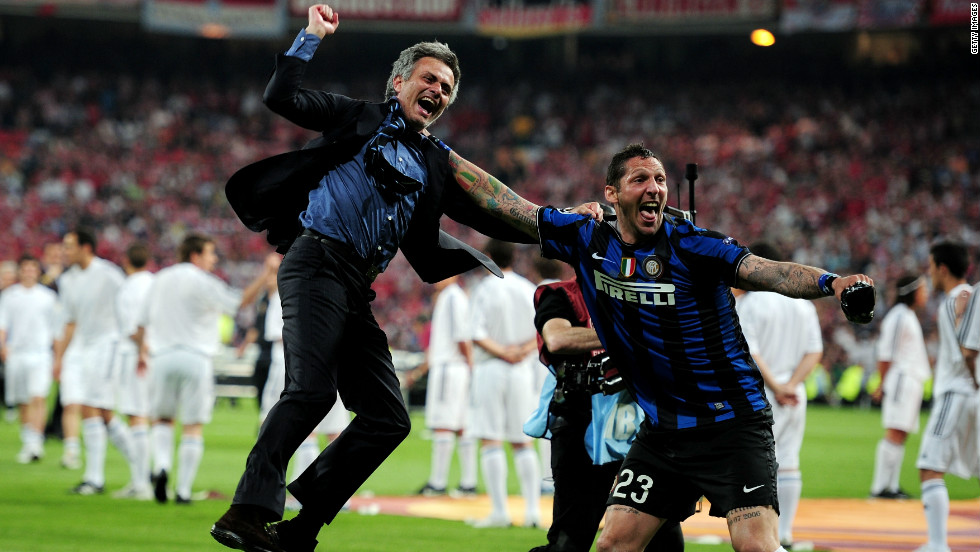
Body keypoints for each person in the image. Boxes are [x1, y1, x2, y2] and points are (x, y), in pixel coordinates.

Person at [211, 5, 535, 551]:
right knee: (312, 391)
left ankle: (302, 528)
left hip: (355, 284)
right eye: (429, 77)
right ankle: (245, 511)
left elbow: (496, 206)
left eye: (447, 86)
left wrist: (568, 220)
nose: (437, 89)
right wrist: (310, 36)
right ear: (399, 82)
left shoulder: (436, 161)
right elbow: (280, 97)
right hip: (315, 261)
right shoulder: (357, 117)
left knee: (389, 416)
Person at [448, 142, 875, 552]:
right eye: (640, 179)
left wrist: (832, 283)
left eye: (660, 179)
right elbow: (506, 204)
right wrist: (440, 156)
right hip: (665, 431)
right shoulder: (587, 237)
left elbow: (770, 273)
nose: (654, 187)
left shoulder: (694, 245)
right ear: (611, 194)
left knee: (756, 545)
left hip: (732, 424)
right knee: (614, 543)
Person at [527, 275, 683, 552]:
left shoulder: (647, 295)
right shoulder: (561, 295)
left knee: (664, 538)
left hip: (643, 429)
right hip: (581, 423)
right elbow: (558, 338)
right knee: (570, 541)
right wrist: (629, 336)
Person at [137, 234, 272, 505]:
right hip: (195, 357)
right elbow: (240, 302)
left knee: (162, 419)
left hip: (161, 356)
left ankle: (161, 466)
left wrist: (143, 350)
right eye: (210, 254)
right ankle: (184, 490)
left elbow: (141, 321)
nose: (214, 259)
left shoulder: (160, 279)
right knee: (192, 426)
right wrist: (265, 274)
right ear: (195, 255)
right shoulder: (203, 281)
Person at [732, 242, 824, 550]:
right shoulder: (803, 304)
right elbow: (815, 351)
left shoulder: (751, 304)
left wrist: (775, 386)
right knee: (789, 461)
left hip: (760, 394)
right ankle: (784, 533)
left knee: (756, 464)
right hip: (795, 395)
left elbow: (750, 352)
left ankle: (761, 535)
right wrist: (792, 385)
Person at [466, 239, 541, 528]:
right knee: (523, 443)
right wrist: (519, 352)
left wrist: (502, 352)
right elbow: (541, 331)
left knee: (490, 438)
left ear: (487, 257)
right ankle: (533, 511)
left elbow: (475, 332)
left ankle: (500, 512)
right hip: (521, 369)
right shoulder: (527, 288)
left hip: (491, 369)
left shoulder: (484, 288)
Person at [55, 228, 132, 494]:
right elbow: (69, 321)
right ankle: (142, 470)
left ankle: (96, 478)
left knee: (93, 408)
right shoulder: (67, 280)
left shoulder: (109, 275)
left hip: (108, 345)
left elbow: (129, 306)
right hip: (82, 348)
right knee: (102, 413)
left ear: (86, 248)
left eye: (69, 246)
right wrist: (59, 357)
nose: (64, 251)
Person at [914, 240, 976, 552]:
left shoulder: (961, 297)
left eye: (930, 267)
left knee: (930, 465)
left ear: (942, 268)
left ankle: (937, 544)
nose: (929, 273)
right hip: (972, 394)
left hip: (956, 394)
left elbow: (969, 349)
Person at [412, 274, 478, 498]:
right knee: (462, 425)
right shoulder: (453, 296)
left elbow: (462, 336)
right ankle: (468, 483)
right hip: (456, 367)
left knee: (443, 424)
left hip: (450, 367)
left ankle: (438, 483)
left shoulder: (451, 297)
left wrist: (470, 364)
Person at [868, 273, 930, 501]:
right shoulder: (899, 316)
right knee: (894, 431)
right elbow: (887, 353)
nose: (926, 293)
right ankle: (880, 487)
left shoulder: (907, 316)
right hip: (901, 380)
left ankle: (891, 486)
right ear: (913, 291)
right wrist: (881, 383)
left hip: (910, 380)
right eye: (923, 289)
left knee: (900, 433)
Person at [0, 254, 62, 464]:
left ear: (37, 271)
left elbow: (56, 329)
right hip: (17, 352)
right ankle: (29, 440)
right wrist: (3, 346)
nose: (29, 272)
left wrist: (57, 356)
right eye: (25, 268)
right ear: (20, 271)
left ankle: (36, 442)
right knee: (23, 402)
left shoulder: (47, 297)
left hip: (40, 353)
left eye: (32, 268)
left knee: (38, 397)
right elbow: (3, 324)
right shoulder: (10, 296)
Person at [111, 242, 156, 500]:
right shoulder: (155, 282)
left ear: (126, 261)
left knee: (136, 416)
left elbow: (133, 328)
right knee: (146, 416)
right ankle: (143, 478)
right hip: (156, 352)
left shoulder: (126, 288)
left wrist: (141, 351)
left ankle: (142, 483)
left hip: (136, 354)